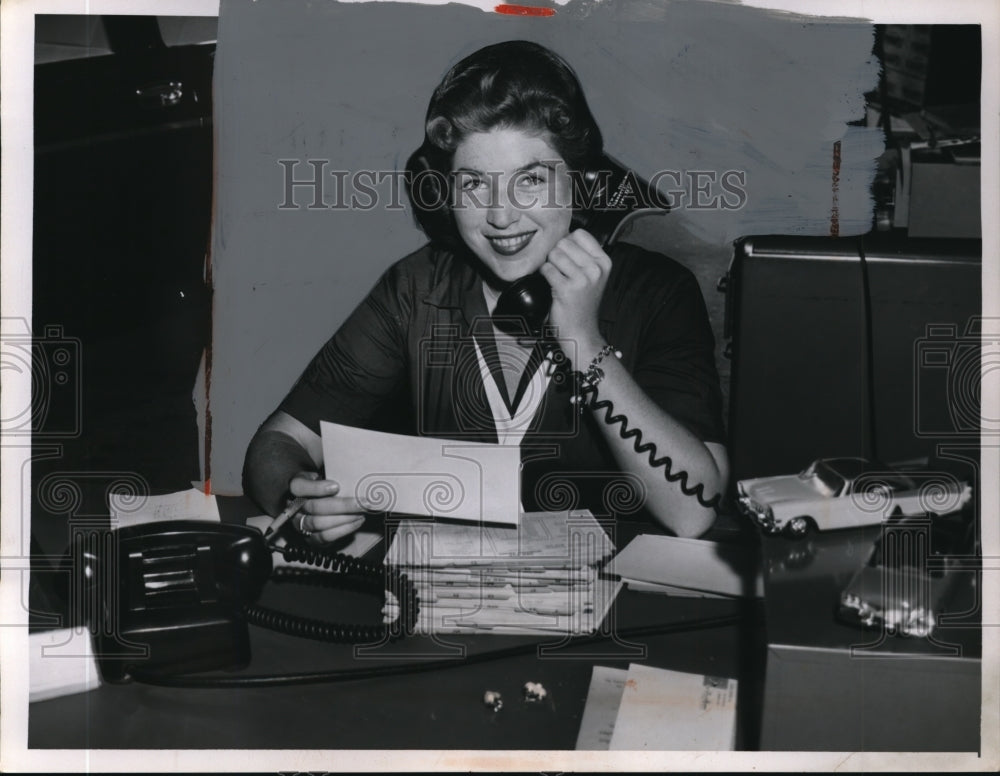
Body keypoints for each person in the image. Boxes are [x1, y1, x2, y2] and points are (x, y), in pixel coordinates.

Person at [243, 40, 728, 543]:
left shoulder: (658, 292)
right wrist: (299, 499)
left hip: (613, 585)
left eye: (530, 180)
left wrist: (585, 343)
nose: (500, 216)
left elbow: (693, 512)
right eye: (474, 184)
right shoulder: (416, 288)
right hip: (442, 584)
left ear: (579, 183)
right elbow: (278, 441)